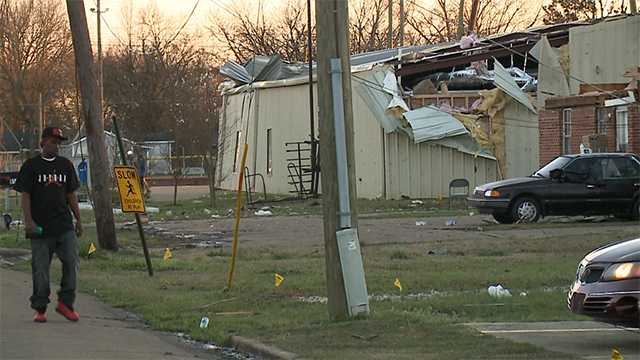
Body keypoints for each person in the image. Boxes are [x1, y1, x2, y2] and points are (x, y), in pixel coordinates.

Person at [14, 127, 82, 323]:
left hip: (64, 225)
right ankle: (40, 308)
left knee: (71, 262)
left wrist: (78, 219)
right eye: (52, 141)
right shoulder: (31, 166)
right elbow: (25, 195)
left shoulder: (65, 165)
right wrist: (29, 222)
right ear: (43, 142)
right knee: (41, 269)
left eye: (58, 142)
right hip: (40, 228)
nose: (55, 145)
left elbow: (71, 194)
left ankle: (65, 304)